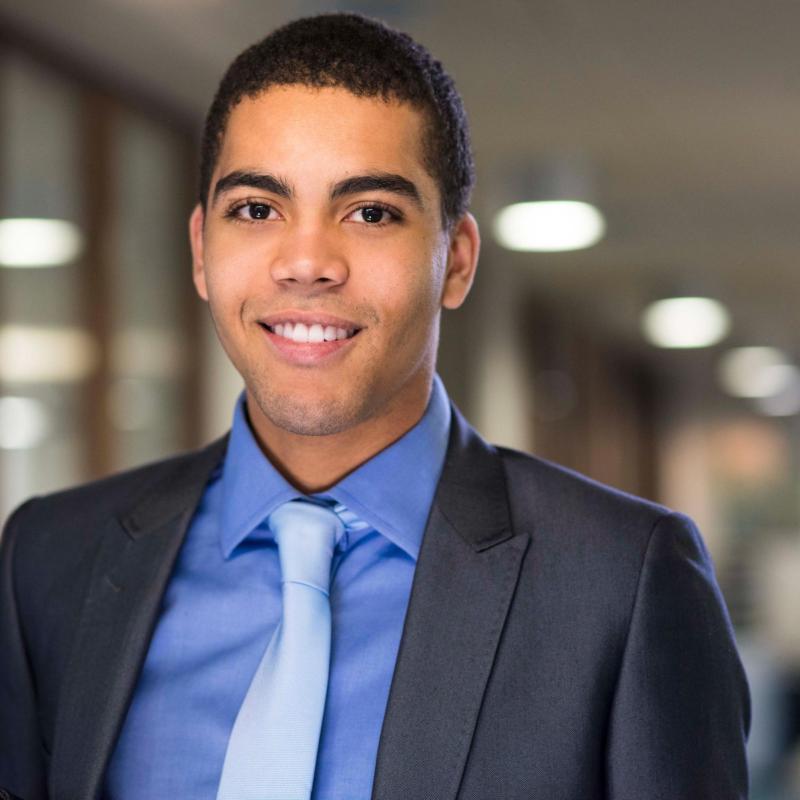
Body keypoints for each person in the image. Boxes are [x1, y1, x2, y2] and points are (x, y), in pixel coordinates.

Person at [0, 12, 749, 800]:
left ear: (454, 262)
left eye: (371, 213)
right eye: (257, 209)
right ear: (199, 250)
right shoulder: (52, 560)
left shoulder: (621, 583)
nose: (307, 263)